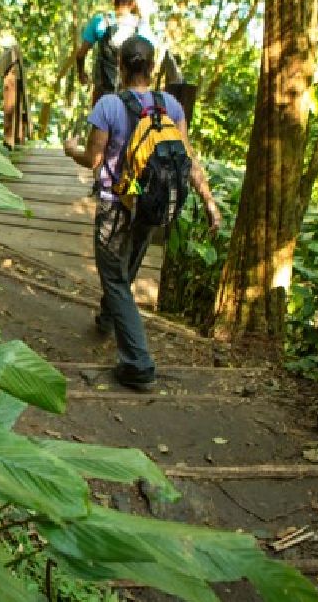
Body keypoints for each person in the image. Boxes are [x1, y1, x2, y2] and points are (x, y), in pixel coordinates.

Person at [63, 34, 222, 391]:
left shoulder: (108, 105)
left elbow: (93, 160)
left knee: (115, 277)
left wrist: (71, 149)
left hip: (117, 202)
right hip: (151, 203)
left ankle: (138, 364)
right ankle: (107, 316)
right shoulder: (171, 106)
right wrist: (209, 202)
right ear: (152, 69)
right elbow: (188, 158)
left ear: (119, 66)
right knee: (127, 266)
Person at [68, 0, 142, 106]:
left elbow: (81, 54)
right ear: (133, 4)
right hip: (129, 93)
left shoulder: (100, 21)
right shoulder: (139, 26)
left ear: (114, 1)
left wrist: (81, 73)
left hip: (103, 92)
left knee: (99, 122)